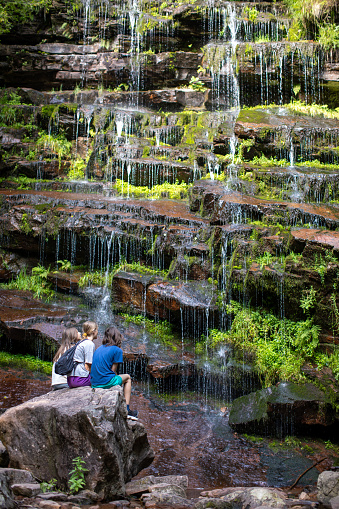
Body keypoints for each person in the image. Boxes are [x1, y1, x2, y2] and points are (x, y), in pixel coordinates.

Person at [90, 326, 138, 420]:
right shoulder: (117, 350)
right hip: (105, 382)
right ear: (117, 337)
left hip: (94, 383)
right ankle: (127, 410)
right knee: (127, 378)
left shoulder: (99, 348)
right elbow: (113, 371)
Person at [67, 320, 97, 388]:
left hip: (71, 379)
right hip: (80, 380)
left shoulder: (80, 342)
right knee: (104, 380)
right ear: (93, 331)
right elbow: (87, 366)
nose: (98, 332)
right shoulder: (89, 344)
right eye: (97, 330)